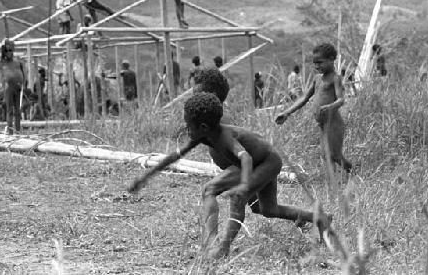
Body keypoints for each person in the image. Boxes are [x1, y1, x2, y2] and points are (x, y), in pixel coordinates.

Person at [133, 92, 332, 259]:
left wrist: (244, 186)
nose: (186, 129)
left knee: (216, 191)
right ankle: (318, 217)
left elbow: (245, 158)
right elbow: (174, 156)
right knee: (267, 209)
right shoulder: (204, 136)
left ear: (202, 127)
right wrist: (146, 176)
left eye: (188, 125)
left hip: (265, 162)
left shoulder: (224, 137)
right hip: (263, 160)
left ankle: (219, 247)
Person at [276, 43, 352, 173]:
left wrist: (330, 106)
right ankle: (333, 183)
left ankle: (351, 171)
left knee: (335, 155)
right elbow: (304, 98)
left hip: (333, 123)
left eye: (320, 62)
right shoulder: (317, 79)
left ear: (332, 59)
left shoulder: (335, 78)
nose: (317, 66)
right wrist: (286, 113)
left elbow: (341, 100)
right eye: (315, 63)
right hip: (323, 124)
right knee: (326, 155)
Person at [0, 39, 25, 134]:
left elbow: (23, 74)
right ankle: (10, 131)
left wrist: (22, 84)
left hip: (18, 88)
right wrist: (4, 43)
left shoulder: (17, 62)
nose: (9, 53)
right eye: (7, 51)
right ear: (4, 52)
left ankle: (17, 131)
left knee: (18, 111)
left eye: (10, 50)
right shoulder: (3, 62)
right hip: (8, 88)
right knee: (10, 110)